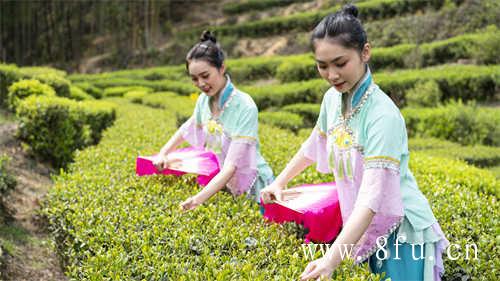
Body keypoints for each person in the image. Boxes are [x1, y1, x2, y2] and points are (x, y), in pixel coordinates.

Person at [260, 5, 449, 281]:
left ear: (365, 52)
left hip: (400, 230)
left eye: (340, 63)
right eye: (322, 66)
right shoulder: (332, 100)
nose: (332, 75)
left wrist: (330, 260)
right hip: (360, 223)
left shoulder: (383, 116)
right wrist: (280, 181)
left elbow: (373, 199)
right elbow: (315, 144)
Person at [154, 30, 274, 212]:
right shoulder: (204, 100)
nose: (201, 84)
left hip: (253, 185)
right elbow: (190, 126)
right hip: (224, 183)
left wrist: (197, 200)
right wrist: (163, 153)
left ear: (222, 68)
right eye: (194, 79)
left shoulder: (245, 106)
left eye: (205, 76)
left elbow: (232, 166)